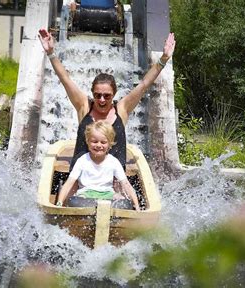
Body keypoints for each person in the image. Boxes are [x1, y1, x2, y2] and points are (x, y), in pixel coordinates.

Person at [38, 28, 176, 170]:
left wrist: (163, 59)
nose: (102, 100)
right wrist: (50, 53)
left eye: (107, 96)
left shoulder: (122, 109)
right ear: (92, 93)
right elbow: (65, 79)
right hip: (83, 177)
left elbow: (144, 84)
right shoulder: (84, 106)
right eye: (97, 95)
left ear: (114, 95)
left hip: (113, 179)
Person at [56, 120, 140, 211]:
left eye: (103, 142)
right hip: (86, 195)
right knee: (73, 201)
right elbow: (69, 183)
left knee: (125, 203)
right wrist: (59, 203)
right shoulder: (82, 160)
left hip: (108, 195)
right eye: (94, 141)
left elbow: (126, 184)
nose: (99, 145)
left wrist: (136, 205)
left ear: (109, 144)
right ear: (88, 142)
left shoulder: (113, 162)